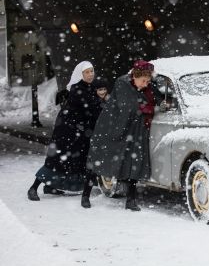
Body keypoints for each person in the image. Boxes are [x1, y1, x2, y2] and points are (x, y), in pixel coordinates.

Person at [83, 60, 164, 211]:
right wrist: (145, 107)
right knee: (99, 159)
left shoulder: (146, 85)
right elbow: (128, 108)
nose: (146, 84)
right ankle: (85, 195)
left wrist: (162, 102)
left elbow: (156, 96)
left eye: (148, 81)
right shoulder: (122, 83)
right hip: (112, 126)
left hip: (135, 129)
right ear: (135, 76)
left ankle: (131, 200)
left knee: (134, 162)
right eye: (143, 81)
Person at [27, 61, 104, 201]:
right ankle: (33, 188)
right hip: (66, 131)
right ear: (80, 74)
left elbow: (94, 107)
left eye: (92, 71)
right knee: (56, 160)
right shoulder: (77, 89)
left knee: (69, 160)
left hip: (78, 132)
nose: (90, 74)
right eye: (87, 72)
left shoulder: (89, 87)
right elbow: (91, 109)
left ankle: (50, 186)